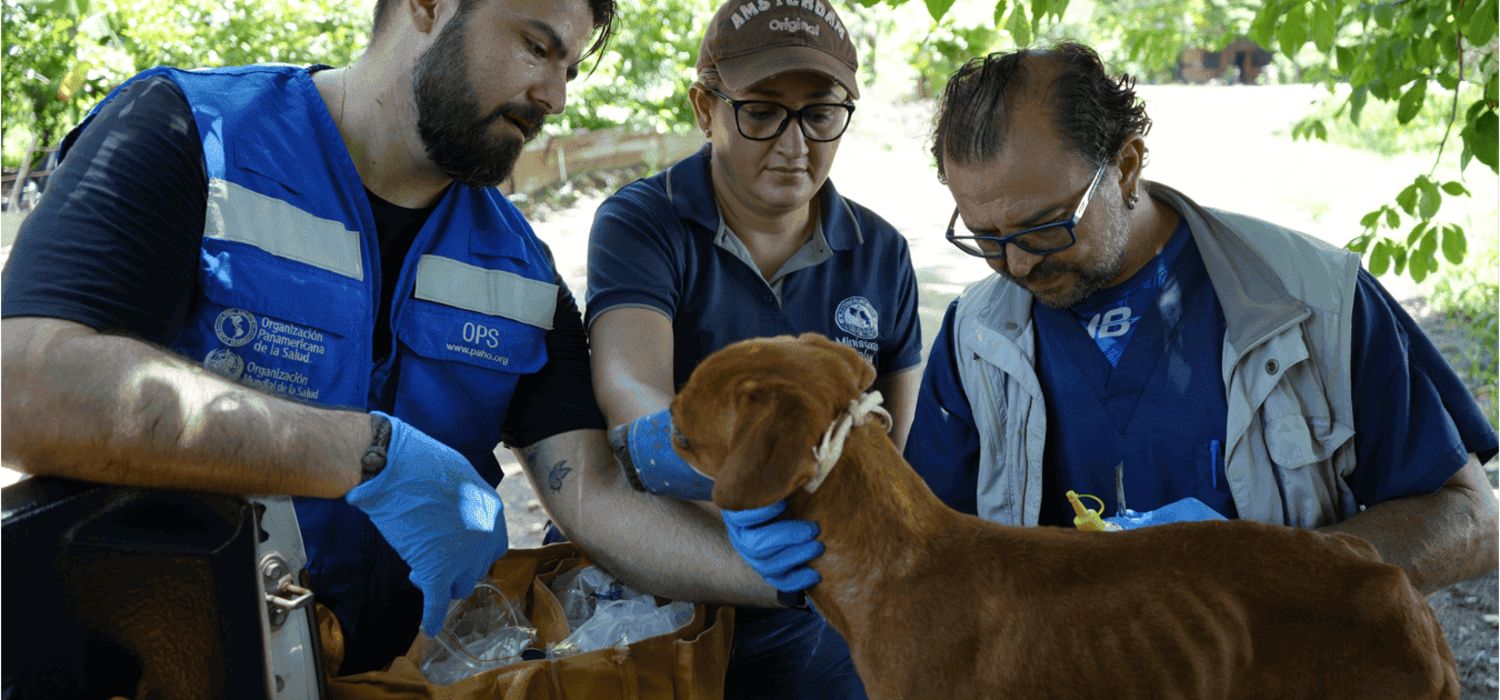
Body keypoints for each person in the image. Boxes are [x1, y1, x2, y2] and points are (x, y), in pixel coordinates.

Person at [1, 0, 618, 675]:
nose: (556, 98)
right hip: (162, 670)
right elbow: (21, 388)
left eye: (570, 68)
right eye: (537, 46)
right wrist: (370, 457)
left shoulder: (521, 267)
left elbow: (595, 496)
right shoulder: (190, 134)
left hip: (390, 681)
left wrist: (750, 566)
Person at [900, 42, 1497, 593]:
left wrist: (1263, 585)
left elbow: (1470, 516)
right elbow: (925, 544)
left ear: (1127, 165)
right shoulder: (974, 337)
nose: (1020, 263)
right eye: (986, 237)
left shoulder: (1312, 301)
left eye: (1046, 226)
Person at [582, 0, 922, 696]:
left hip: (831, 613)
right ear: (705, 107)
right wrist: (744, 494)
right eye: (761, 111)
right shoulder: (643, 224)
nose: (795, 144)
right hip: (678, 605)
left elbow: (896, 438)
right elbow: (630, 389)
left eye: (821, 113)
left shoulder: (882, 253)